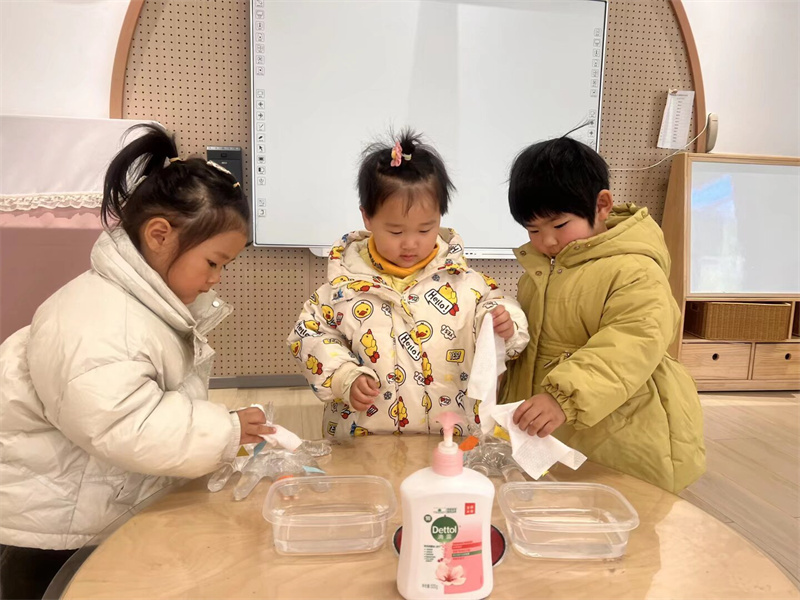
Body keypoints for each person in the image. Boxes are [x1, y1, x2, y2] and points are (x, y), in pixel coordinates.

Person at [0, 124, 273, 599]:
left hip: (86, 516)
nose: (216, 279)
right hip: (49, 536)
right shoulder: (99, 318)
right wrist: (224, 431)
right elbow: (124, 423)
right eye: (213, 262)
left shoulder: (140, 311)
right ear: (160, 235)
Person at [288, 129, 529, 438]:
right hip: (365, 441)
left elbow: (499, 309)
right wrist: (344, 377)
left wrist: (504, 325)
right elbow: (310, 335)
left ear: (440, 217)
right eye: (396, 232)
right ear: (367, 218)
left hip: (450, 440)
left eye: (425, 229)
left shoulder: (467, 284)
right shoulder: (339, 292)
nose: (411, 243)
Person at [502, 136, 705, 493]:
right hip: (557, 429)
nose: (546, 241)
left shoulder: (634, 270)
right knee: (559, 506)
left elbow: (632, 343)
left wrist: (564, 397)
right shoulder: (538, 273)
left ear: (602, 205)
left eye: (559, 225)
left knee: (625, 508)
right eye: (533, 230)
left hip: (624, 429)